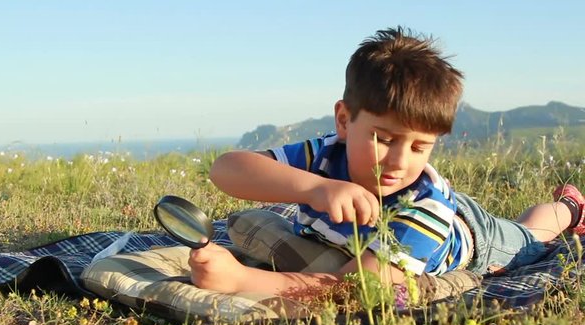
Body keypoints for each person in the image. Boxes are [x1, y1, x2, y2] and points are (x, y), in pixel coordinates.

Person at [187, 27, 585, 299]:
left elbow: (358, 291)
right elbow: (227, 169)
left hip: (476, 238)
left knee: (530, 233)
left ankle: (570, 208)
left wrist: (241, 280)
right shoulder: (328, 154)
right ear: (344, 121)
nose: (397, 162)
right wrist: (314, 187)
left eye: (419, 147)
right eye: (385, 139)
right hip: (418, 213)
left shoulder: (426, 213)